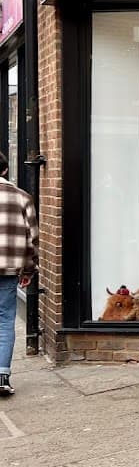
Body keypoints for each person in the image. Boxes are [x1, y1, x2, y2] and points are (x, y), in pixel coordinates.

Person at [0, 152, 38, 397]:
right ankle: (2, 375)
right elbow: (32, 238)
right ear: (5, 170)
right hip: (9, 268)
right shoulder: (22, 197)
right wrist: (29, 270)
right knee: (5, 320)